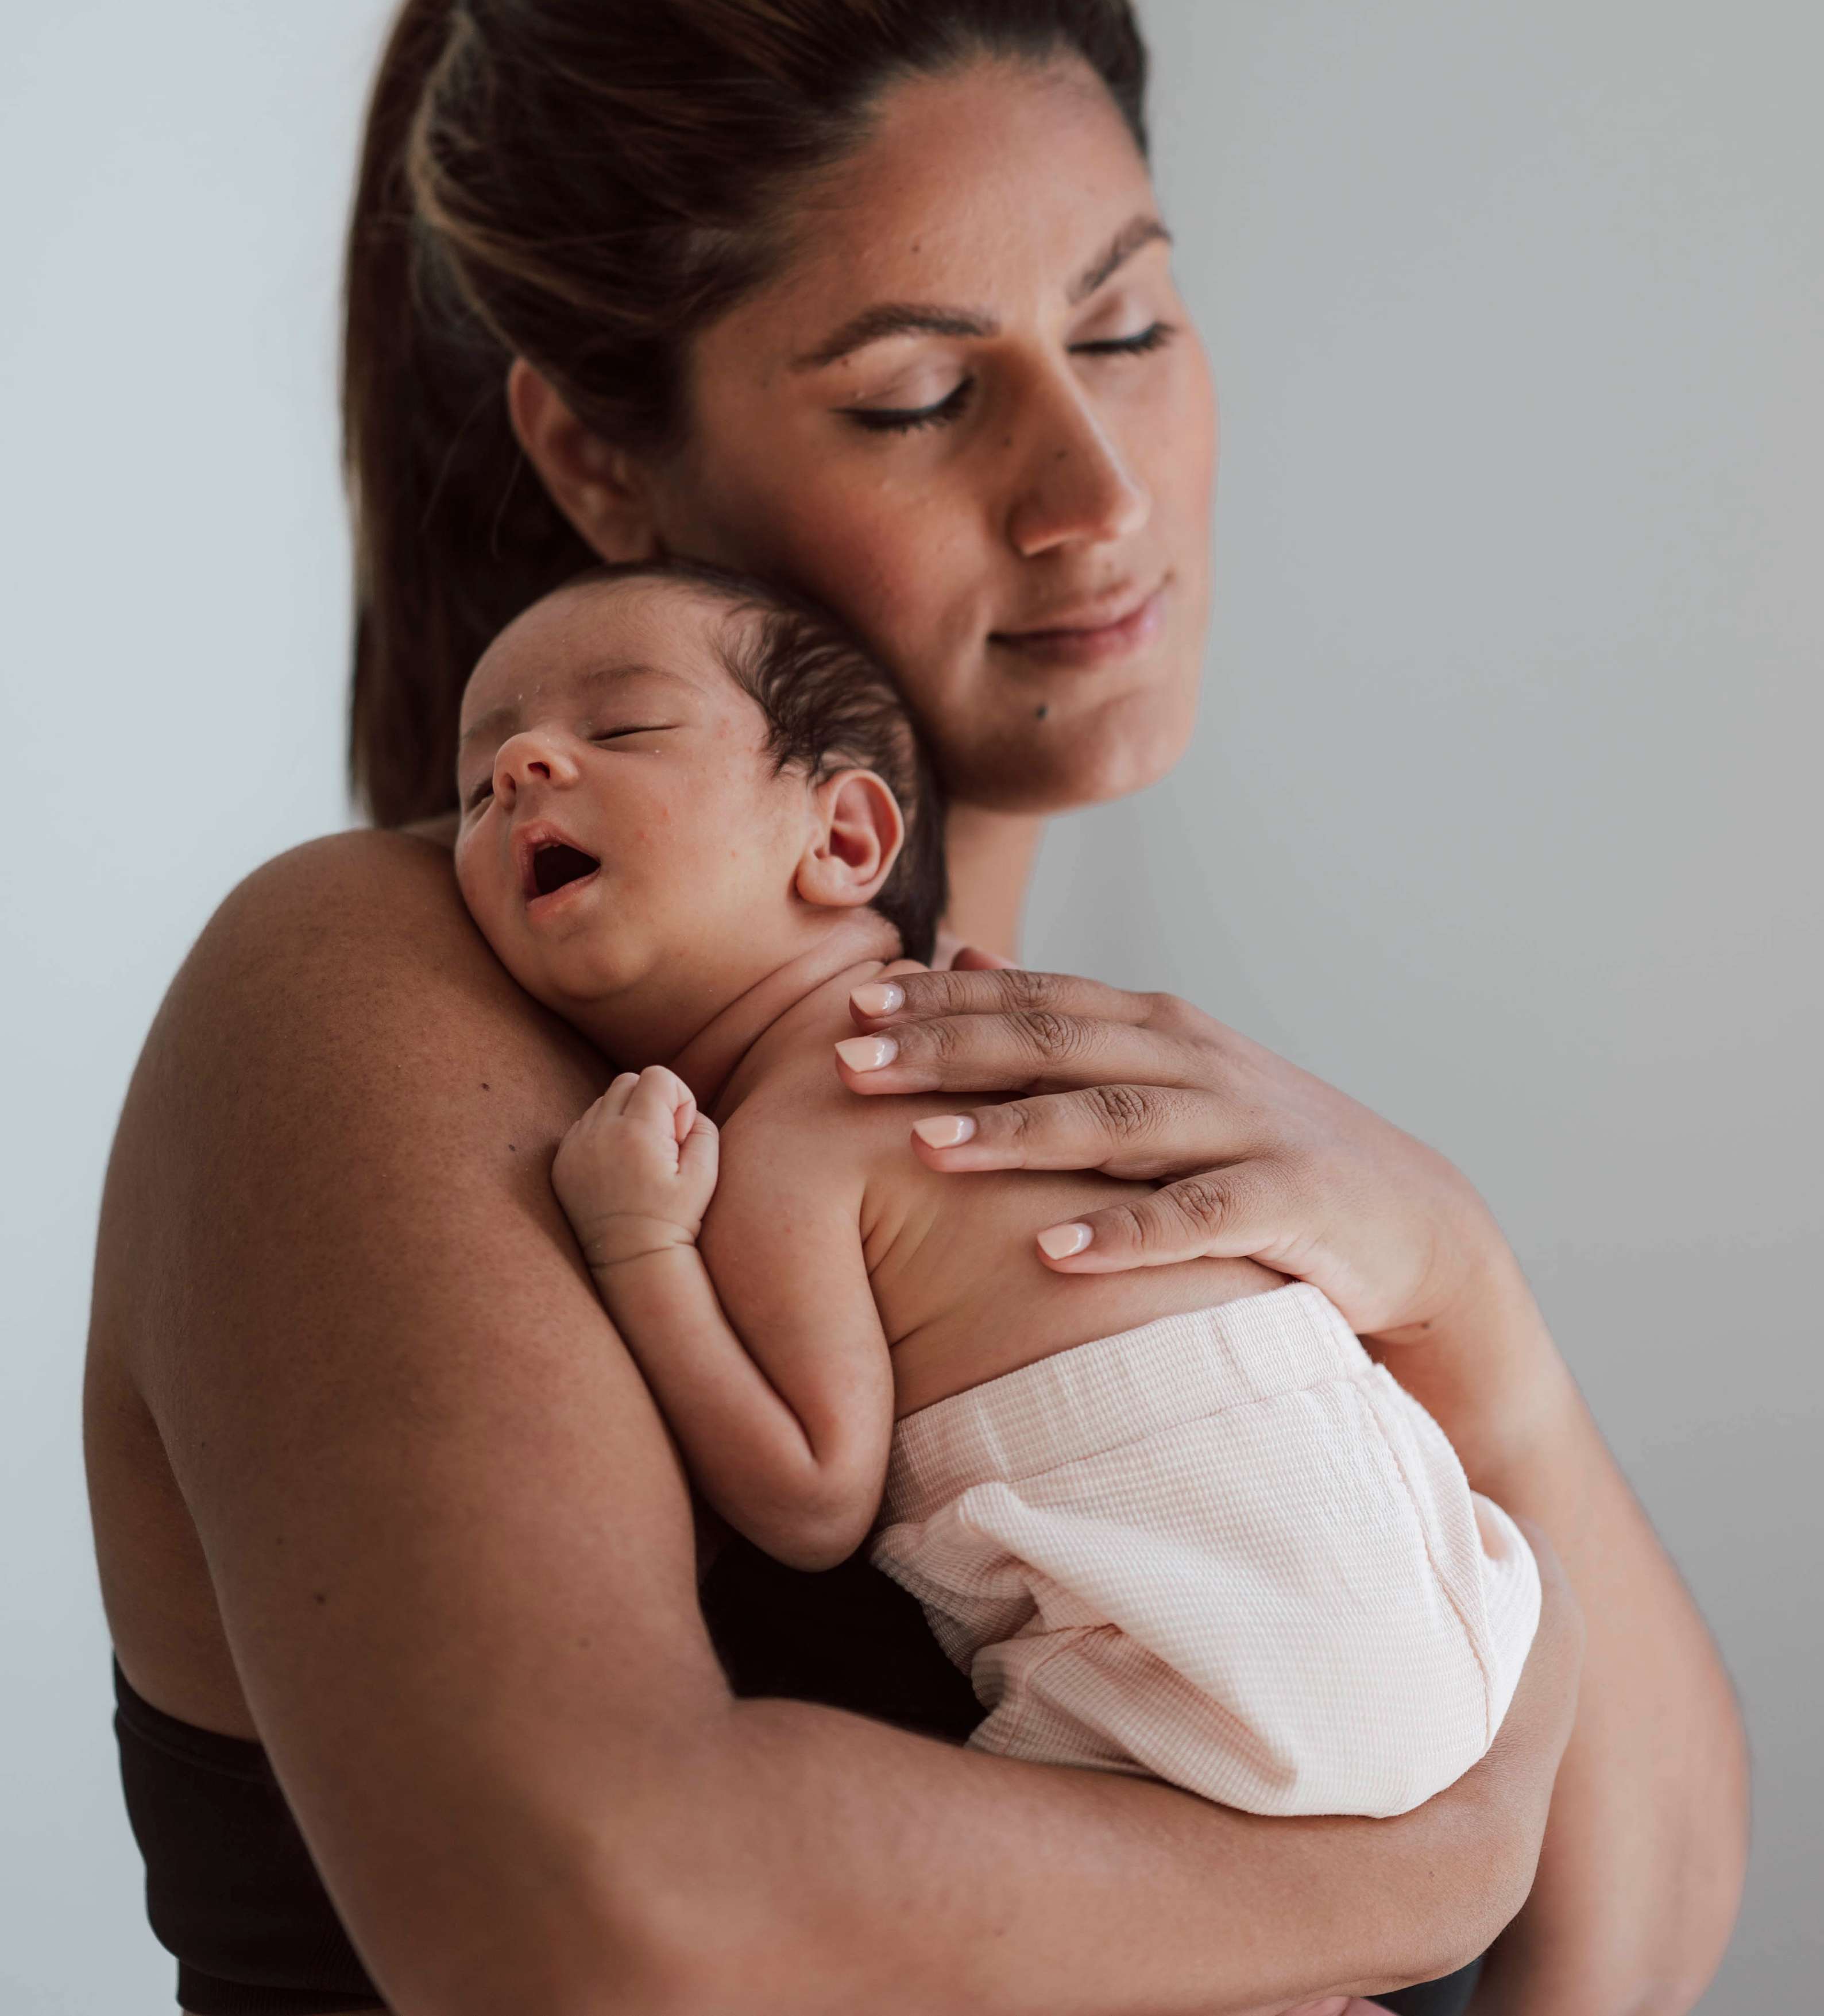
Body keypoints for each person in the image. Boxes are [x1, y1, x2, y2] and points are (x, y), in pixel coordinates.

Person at [85, 0, 1741, 2016]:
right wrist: (1394, 1881)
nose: (1098, 495)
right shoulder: (359, 997)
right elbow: (598, 1924)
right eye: (924, 396)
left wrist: (1477, 1315)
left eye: (1131, 323)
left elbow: (1620, 1970)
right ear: (598, 460)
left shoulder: (1157, 1132)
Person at [457, 556, 1541, 1822]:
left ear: (844, 835)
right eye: (476, 788)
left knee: (927, 1888)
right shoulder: (1009, 1021)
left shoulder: (797, 1130)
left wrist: (638, 1243)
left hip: (1188, 1635)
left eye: (624, 725)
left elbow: (809, 1494)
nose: (526, 762)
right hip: (1435, 1566)